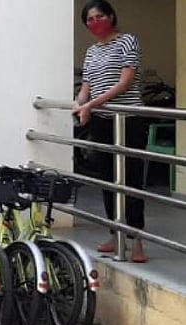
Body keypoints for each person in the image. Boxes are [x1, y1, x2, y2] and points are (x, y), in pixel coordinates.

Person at [75, 0, 147, 262]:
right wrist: (79, 102)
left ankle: (136, 240)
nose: (95, 22)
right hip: (103, 120)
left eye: (99, 16)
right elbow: (87, 84)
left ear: (111, 16)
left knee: (131, 179)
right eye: (90, 19)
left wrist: (92, 104)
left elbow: (126, 82)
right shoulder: (92, 51)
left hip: (129, 118)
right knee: (107, 177)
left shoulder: (128, 41)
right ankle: (114, 233)